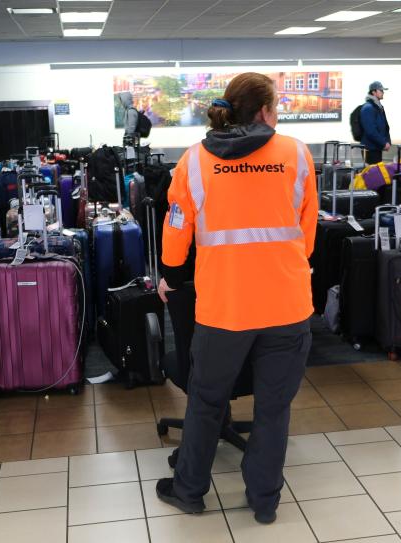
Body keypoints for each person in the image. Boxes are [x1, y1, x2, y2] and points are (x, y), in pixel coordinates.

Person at [153, 72, 318, 525]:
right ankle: (264, 501)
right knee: (273, 408)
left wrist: (170, 272)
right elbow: (306, 233)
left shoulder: (193, 161)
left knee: (206, 401)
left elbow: (175, 228)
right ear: (264, 111)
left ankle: (189, 490)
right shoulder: (296, 155)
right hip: (286, 305)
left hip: (224, 308)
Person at [361, 81, 392, 164]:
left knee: (377, 174)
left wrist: (387, 142)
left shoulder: (378, 107)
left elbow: (385, 127)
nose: (383, 92)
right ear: (374, 92)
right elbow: (371, 131)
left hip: (376, 148)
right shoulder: (368, 108)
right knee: (372, 175)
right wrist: (383, 143)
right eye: (381, 90)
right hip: (370, 150)